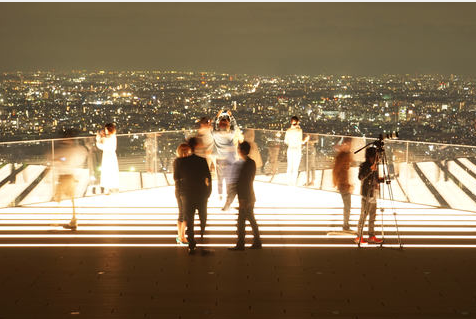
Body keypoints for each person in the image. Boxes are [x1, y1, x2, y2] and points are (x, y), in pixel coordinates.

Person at [175, 137, 212, 254]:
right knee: (202, 216)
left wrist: (180, 193)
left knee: (189, 218)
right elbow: (208, 178)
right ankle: (201, 236)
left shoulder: (180, 161)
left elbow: (176, 177)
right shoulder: (202, 160)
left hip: (186, 194)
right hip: (201, 193)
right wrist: (208, 193)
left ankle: (191, 243)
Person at [228, 141, 262, 251]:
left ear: (241, 151)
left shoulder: (243, 164)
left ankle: (242, 243)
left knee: (242, 221)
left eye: (238, 149)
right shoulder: (251, 163)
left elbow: (243, 183)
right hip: (249, 196)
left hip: (246, 197)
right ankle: (255, 241)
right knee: (249, 219)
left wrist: (243, 199)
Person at [53, 129, 87, 230]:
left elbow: (65, 160)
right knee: (70, 199)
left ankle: (56, 221)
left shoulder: (70, 149)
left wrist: (60, 160)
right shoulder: (76, 149)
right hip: (69, 176)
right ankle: (72, 221)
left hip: (66, 176)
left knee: (60, 198)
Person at [355, 146, 383, 244]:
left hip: (374, 194)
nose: (376, 158)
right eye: (375, 156)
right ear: (370, 156)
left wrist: (380, 180)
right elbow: (361, 177)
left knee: (372, 217)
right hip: (366, 194)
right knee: (364, 215)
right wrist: (370, 169)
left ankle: (371, 235)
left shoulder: (376, 166)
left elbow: (375, 179)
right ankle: (359, 236)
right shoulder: (364, 165)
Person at [212, 110, 241, 201]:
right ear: (228, 125)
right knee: (230, 178)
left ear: (219, 125)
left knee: (220, 178)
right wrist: (231, 116)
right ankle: (229, 195)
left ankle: (220, 194)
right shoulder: (230, 134)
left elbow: (213, 126)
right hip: (230, 159)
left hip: (220, 159)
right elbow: (235, 126)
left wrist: (217, 117)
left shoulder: (215, 134)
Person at [332, 137, 354, 231]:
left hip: (344, 183)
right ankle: (345, 225)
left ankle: (346, 224)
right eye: (348, 144)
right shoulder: (343, 156)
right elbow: (336, 170)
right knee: (347, 205)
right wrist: (336, 182)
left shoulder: (345, 155)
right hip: (343, 184)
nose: (349, 146)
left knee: (347, 205)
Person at [173, 143, 192, 245]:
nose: (185, 152)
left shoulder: (178, 161)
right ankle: (182, 237)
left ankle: (180, 236)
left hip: (181, 190)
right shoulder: (180, 162)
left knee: (182, 213)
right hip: (182, 190)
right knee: (184, 214)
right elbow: (176, 177)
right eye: (183, 150)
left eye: (186, 150)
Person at [284, 116, 309, 186]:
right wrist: (306, 140)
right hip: (297, 150)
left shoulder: (288, 130)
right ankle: (293, 183)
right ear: (298, 122)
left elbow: (286, 141)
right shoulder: (299, 131)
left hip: (290, 149)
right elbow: (300, 141)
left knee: (289, 166)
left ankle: (288, 182)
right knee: (295, 167)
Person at [96, 123, 119, 194]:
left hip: (107, 156)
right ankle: (111, 188)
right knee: (111, 171)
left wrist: (98, 139)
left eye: (106, 129)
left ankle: (108, 188)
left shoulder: (109, 138)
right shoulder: (112, 137)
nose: (105, 130)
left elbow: (101, 146)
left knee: (107, 171)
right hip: (111, 156)